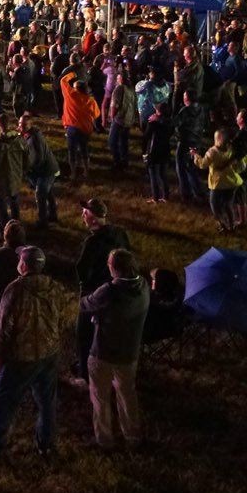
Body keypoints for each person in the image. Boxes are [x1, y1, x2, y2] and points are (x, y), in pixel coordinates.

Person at [0, 246, 63, 460]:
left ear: (23, 265)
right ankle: (47, 444)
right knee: (47, 402)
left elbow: (2, 328)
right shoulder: (53, 287)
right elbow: (62, 317)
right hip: (48, 353)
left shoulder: (15, 290)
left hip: (21, 357)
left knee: (3, 400)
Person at [81, 248, 150, 449]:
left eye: (109, 264)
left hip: (104, 352)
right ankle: (133, 435)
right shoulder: (143, 285)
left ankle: (104, 439)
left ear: (114, 268)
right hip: (129, 352)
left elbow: (86, 304)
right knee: (127, 393)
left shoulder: (109, 291)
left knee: (100, 396)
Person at [73, 199, 130, 384]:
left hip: (95, 292)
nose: (82, 215)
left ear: (95, 220)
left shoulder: (93, 242)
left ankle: (84, 374)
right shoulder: (120, 233)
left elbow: (81, 271)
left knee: (84, 333)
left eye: (86, 213)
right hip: (117, 289)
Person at [193, 128, 244, 233]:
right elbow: (240, 166)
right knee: (228, 205)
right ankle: (232, 225)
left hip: (218, 183)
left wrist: (195, 155)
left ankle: (223, 225)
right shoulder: (231, 149)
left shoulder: (212, 152)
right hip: (231, 182)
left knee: (214, 206)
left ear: (217, 139)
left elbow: (202, 164)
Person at [0, 113, 27, 226]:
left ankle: (6, 227)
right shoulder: (20, 140)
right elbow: (27, 157)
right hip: (15, 175)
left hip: (2, 177)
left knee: (0, 201)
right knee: (13, 199)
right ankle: (16, 224)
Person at [59, 70, 100, 181]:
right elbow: (96, 114)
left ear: (76, 88)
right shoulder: (91, 101)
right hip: (85, 129)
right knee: (84, 150)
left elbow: (63, 81)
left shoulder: (71, 95)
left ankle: (73, 173)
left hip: (72, 128)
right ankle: (86, 171)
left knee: (72, 151)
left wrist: (73, 74)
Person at [20, 114, 59, 227]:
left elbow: (39, 158)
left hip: (47, 171)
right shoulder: (28, 135)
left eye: (24, 125)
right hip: (43, 170)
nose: (21, 126)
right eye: (20, 124)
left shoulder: (35, 138)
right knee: (48, 193)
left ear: (30, 125)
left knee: (41, 194)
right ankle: (53, 215)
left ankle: (43, 221)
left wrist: (28, 168)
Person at [143, 105, 173, 204]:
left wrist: (144, 153)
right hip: (165, 151)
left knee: (153, 175)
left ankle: (155, 197)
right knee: (163, 174)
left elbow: (146, 136)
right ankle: (166, 196)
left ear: (158, 111)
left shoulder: (153, 123)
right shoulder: (169, 123)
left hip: (154, 152)